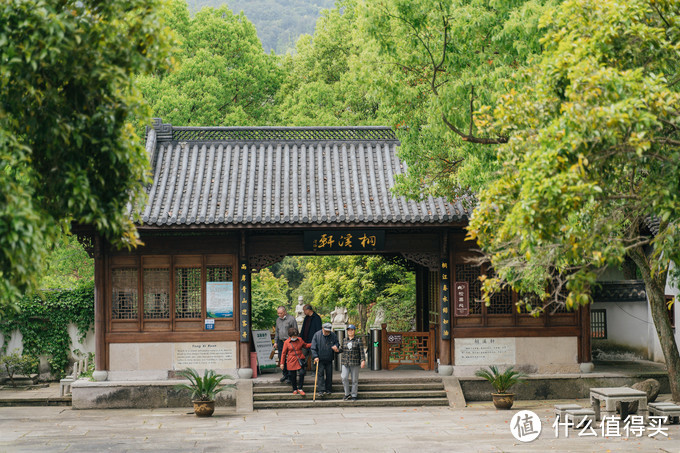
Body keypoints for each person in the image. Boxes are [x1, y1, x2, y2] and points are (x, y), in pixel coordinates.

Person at [280, 327, 311, 396]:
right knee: (292, 375)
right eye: (294, 336)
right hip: (291, 360)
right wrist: (282, 363)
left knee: (302, 373)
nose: (295, 337)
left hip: (300, 359)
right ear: (290, 336)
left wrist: (313, 344)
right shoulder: (286, 342)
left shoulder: (300, 340)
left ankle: (300, 388)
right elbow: (283, 353)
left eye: (296, 336)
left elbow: (305, 345)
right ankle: (294, 389)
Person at [311, 322, 339, 396]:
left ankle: (329, 389)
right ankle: (321, 390)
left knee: (329, 374)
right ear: (322, 328)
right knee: (320, 375)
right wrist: (315, 356)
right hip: (320, 359)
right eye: (326, 331)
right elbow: (313, 347)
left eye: (328, 331)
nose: (327, 333)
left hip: (329, 358)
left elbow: (337, 343)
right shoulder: (317, 335)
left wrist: (336, 346)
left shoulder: (333, 335)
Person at [339, 324, 366, 401]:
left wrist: (363, 360)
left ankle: (354, 395)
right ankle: (347, 394)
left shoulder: (358, 340)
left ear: (354, 331)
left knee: (354, 380)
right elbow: (341, 349)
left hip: (355, 362)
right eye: (349, 330)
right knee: (344, 377)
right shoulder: (344, 340)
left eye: (352, 330)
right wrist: (336, 350)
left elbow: (361, 352)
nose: (350, 331)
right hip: (345, 362)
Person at [273, 306, 297, 383]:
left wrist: (295, 341)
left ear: (285, 312)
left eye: (280, 313)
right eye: (278, 313)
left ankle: (290, 376)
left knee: (290, 359)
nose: (279, 315)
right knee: (281, 358)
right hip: (281, 341)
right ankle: (285, 375)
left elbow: (295, 330)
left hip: (289, 341)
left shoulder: (291, 319)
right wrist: (275, 342)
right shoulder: (278, 320)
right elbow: (277, 331)